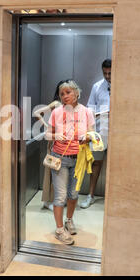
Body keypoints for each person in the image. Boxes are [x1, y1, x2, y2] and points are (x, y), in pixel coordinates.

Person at [46, 80, 95, 245]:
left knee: (73, 194)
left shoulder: (87, 112)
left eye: (68, 92)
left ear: (76, 93)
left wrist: (87, 137)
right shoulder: (56, 112)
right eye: (62, 94)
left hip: (79, 159)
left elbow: (93, 134)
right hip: (60, 157)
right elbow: (47, 135)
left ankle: (69, 220)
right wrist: (55, 136)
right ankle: (59, 230)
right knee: (60, 196)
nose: (65, 96)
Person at [80, 59, 111, 209]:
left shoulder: (123, 85)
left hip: (118, 133)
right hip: (100, 132)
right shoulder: (97, 87)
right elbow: (89, 110)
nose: (107, 76)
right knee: (96, 163)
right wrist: (103, 114)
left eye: (110, 73)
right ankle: (90, 195)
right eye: (105, 73)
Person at [34, 81, 63, 211]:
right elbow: (36, 113)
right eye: (63, 91)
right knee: (53, 169)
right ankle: (48, 200)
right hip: (53, 140)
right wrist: (47, 127)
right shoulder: (57, 104)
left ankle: (52, 199)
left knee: (59, 170)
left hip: (62, 141)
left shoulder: (68, 106)